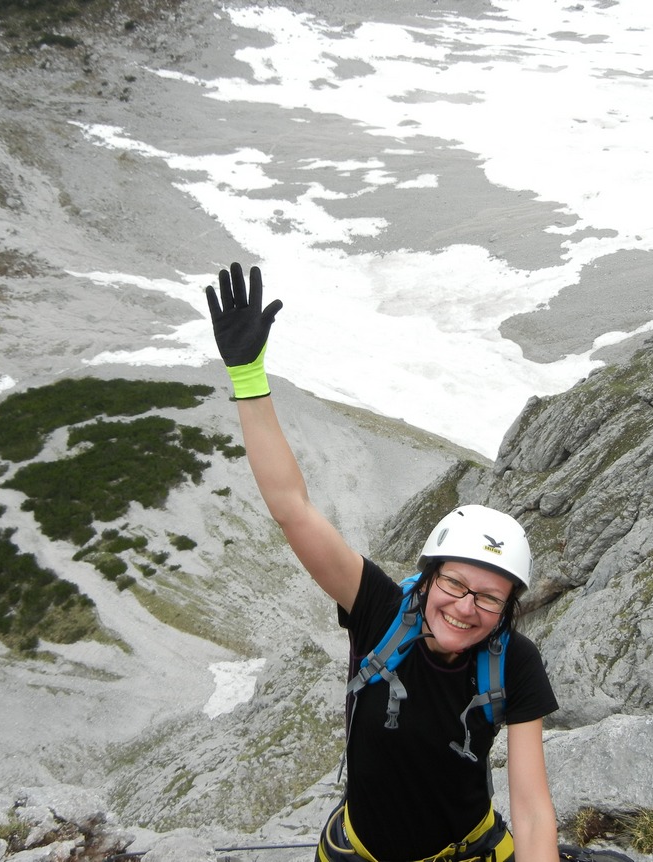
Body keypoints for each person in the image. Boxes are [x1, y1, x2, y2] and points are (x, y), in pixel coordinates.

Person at [206, 262, 559, 862]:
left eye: (489, 597)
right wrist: (247, 376)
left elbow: (530, 809)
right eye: (455, 583)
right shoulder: (379, 609)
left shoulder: (516, 662)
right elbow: (292, 508)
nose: (466, 607)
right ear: (428, 578)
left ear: (507, 609)